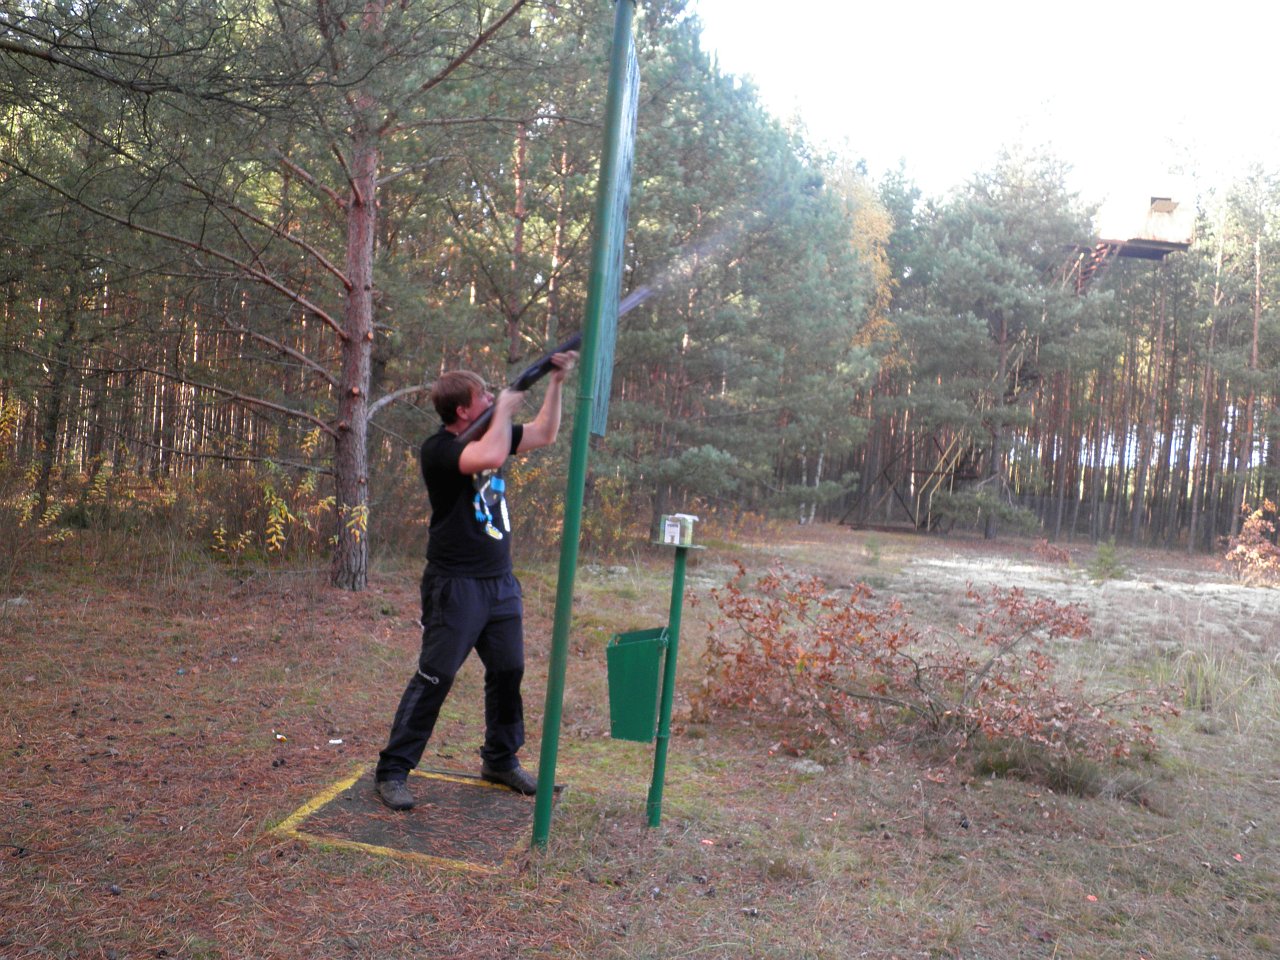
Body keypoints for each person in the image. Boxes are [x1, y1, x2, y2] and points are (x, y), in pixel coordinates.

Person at [373, 349, 578, 810]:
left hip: (499, 582)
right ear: (463, 410)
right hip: (455, 584)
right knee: (436, 675)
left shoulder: (491, 433)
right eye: (482, 395)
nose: (490, 396)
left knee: (508, 670)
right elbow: (490, 454)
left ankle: (500, 760)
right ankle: (392, 770)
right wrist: (503, 409)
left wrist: (555, 383)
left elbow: (544, 433)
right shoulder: (439, 450)